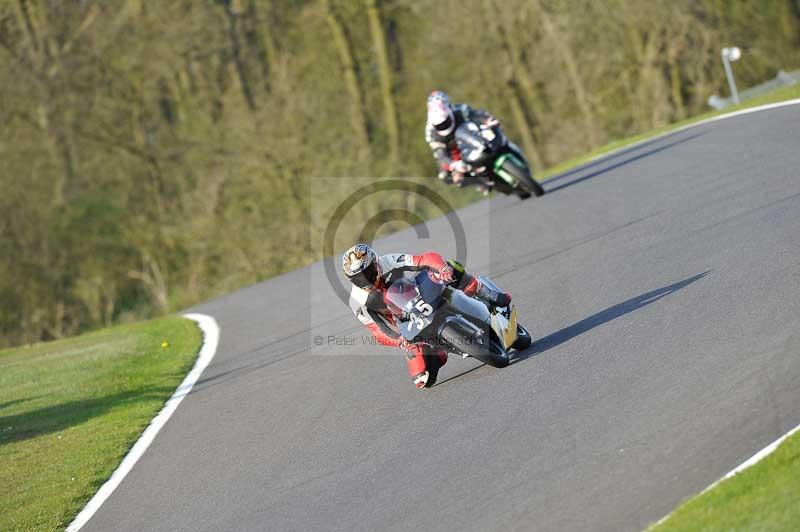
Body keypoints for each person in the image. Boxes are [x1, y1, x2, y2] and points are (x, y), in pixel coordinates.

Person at [342, 243, 511, 389]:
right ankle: (439, 349)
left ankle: (484, 291)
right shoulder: (357, 301)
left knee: (450, 267)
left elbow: (425, 259)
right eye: (358, 279)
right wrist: (398, 340)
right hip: (406, 322)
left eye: (368, 272)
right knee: (422, 379)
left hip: (420, 293)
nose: (366, 280)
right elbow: (377, 331)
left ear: (375, 262)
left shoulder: (388, 261)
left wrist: (442, 269)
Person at [424, 90, 499, 190]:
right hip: (454, 154)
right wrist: (453, 165)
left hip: (471, 140)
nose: (443, 126)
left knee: (492, 135)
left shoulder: (460, 110)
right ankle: (479, 183)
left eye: (446, 121)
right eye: (439, 125)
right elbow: (440, 153)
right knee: (446, 176)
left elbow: (476, 114)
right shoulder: (430, 132)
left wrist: (487, 120)